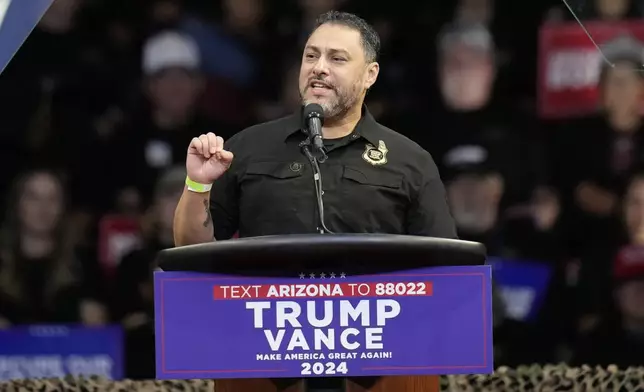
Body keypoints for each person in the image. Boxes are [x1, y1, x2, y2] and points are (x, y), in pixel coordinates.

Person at [173, 11, 457, 245]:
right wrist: (198, 184)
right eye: (311, 56)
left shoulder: (409, 160)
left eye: (337, 58)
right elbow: (191, 251)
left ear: (370, 75)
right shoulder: (246, 148)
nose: (319, 67)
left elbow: (445, 269)